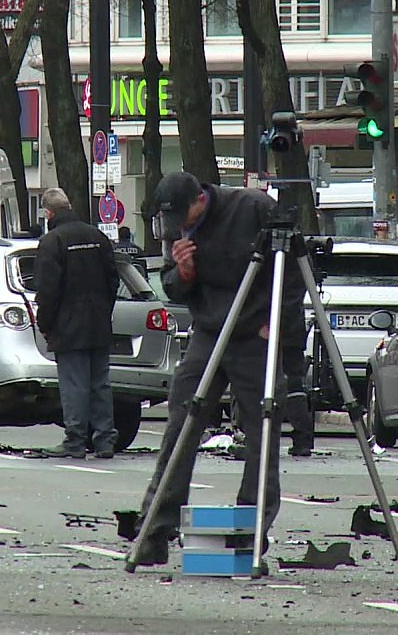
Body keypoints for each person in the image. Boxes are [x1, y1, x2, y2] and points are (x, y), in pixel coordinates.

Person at [130, 172, 304, 566]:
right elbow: (172, 285)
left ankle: (251, 526)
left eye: (185, 219)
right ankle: (156, 527)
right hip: (209, 331)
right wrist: (183, 274)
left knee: (262, 429)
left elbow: (292, 275)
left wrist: (275, 327)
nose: (181, 229)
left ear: (200, 199)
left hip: (252, 331)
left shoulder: (252, 208)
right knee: (181, 425)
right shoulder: (175, 226)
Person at [32, 188, 120, 459]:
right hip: (98, 324)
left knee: (74, 385)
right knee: (99, 384)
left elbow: (48, 290)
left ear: (48, 213)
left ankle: (75, 440)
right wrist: (104, 311)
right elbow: (113, 280)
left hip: (68, 326)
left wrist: (44, 323)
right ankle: (105, 440)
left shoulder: (52, 241)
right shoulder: (97, 236)